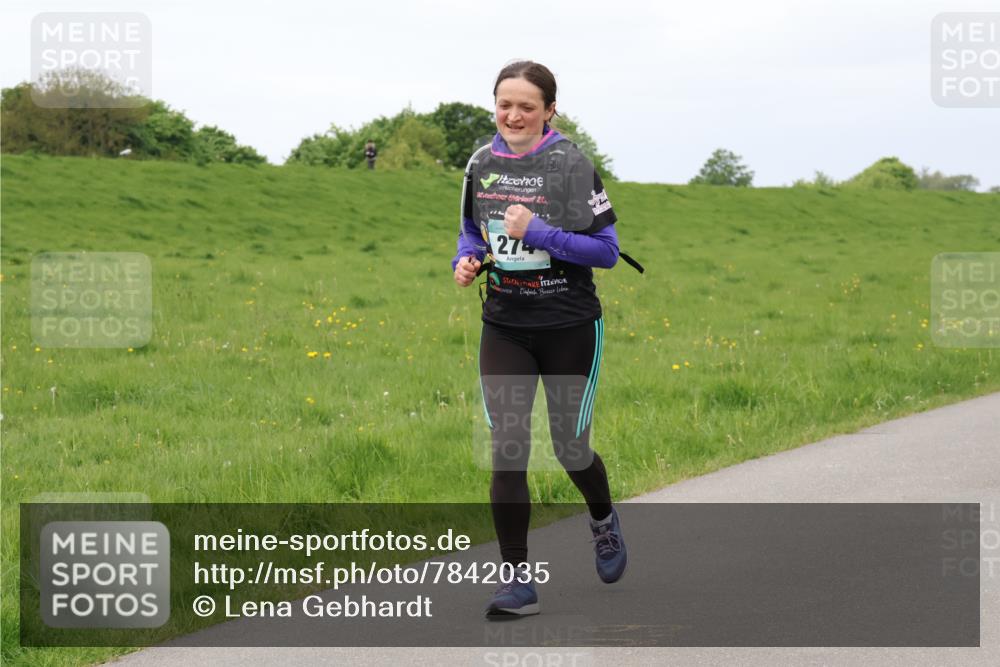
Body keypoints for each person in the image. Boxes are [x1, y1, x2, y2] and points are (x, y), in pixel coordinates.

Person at [451, 60, 629, 619]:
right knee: (507, 449)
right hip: (505, 325)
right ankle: (517, 581)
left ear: (550, 109)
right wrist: (468, 259)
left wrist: (543, 233)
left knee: (570, 445)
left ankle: (601, 518)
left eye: (527, 105)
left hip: (570, 325)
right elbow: (470, 229)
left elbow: (606, 251)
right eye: (505, 103)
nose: (514, 114)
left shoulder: (571, 165)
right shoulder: (481, 163)